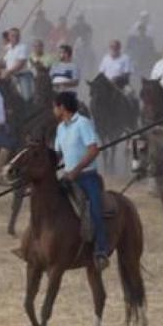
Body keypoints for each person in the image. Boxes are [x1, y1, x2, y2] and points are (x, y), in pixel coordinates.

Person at [52, 90, 108, 271]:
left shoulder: (83, 123)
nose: (53, 110)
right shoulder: (60, 128)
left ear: (62, 107)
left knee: (95, 210)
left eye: (55, 107)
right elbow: (58, 155)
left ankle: (101, 250)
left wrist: (76, 171)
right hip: (68, 176)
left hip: (87, 177)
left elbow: (93, 150)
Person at [2, 27, 33, 101]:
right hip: (11, 76)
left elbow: (20, 64)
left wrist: (7, 72)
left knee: (26, 97)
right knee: (12, 98)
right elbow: (3, 61)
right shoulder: (7, 48)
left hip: (22, 76)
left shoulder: (23, 47)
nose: (15, 37)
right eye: (13, 35)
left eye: (17, 36)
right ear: (9, 37)